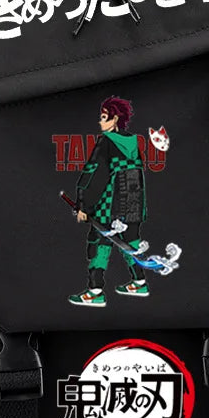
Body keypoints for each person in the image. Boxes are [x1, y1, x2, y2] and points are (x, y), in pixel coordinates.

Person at [68, 96, 148, 307]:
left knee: (99, 242)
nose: (100, 122)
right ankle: (140, 282)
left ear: (115, 119)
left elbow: (94, 174)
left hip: (110, 203)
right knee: (130, 242)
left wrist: (83, 204)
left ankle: (95, 292)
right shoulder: (133, 142)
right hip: (134, 202)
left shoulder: (106, 141)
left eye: (104, 117)